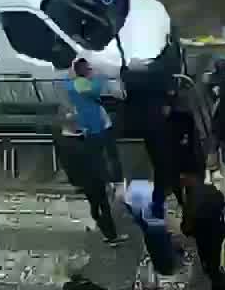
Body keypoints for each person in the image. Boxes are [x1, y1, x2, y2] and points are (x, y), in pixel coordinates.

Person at [54, 114, 122, 243]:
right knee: (101, 205)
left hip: (87, 178)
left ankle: (109, 233)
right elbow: (93, 160)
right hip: (91, 177)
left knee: (98, 205)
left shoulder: (65, 140)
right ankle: (110, 234)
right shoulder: (78, 142)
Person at [65, 58, 122, 182]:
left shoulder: (70, 84)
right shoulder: (83, 84)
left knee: (96, 156)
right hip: (98, 124)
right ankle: (114, 180)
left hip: (86, 125)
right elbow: (94, 92)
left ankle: (103, 180)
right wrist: (98, 77)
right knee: (109, 154)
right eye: (88, 68)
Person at [114, 178, 178, 277]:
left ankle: (165, 264)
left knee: (153, 231)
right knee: (155, 232)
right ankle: (165, 265)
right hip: (143, 189)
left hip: (141, 189)